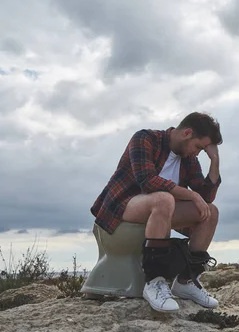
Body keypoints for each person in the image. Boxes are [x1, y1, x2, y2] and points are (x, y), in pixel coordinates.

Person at [90, 112, 222, 313]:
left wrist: (215, 161)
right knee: (164, 198)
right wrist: (192, 196)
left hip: (158, 213)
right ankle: (154, 281)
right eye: (199, 148)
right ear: (187, 133)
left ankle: (187, 280)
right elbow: (148, 181)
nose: (197, 153)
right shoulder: (145, 138)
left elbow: (206, 196)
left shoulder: (188, 158)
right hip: (120, 209)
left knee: (210, 212)